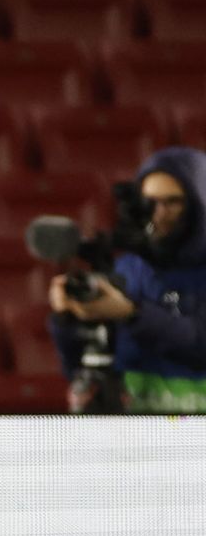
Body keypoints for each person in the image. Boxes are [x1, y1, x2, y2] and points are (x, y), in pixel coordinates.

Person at [49, 147, 206, 413]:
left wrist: (130, 314)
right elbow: (74, 366)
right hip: (134, 430)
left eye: (173, 202)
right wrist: (66, 319)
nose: (159, 213)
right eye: (149, 202)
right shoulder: (126, 269)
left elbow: (199, 346)